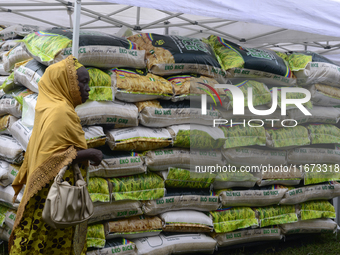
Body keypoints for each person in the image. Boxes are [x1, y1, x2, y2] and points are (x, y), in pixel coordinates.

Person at [9, 55, 103, 254]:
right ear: (65, 82)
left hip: (50, 190)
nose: (87, 88)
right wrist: (89, 153)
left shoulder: (50, 107)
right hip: (50, 194)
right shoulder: (60, 111)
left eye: (88, 83)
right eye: (83, 82)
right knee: (43, 240)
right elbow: (53, 157)